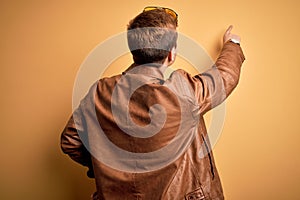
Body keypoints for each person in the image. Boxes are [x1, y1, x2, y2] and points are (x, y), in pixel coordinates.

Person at [61, 6, 245, 200]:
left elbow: (70, 141)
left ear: (134, 51)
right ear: (171, 54)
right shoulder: (182, 92)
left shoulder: (98, 93)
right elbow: (224, 77)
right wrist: (232, 43)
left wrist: (104, 166)